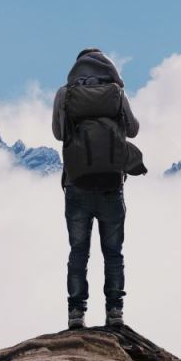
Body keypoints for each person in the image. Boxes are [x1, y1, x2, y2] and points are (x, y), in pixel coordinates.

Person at [52, 47, 140, 330]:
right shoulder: (116, 92)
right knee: (113, 252)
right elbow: (134, 129)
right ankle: (115, 311)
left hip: (77, 184)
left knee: (79, 251)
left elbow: (58, 133)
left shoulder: (65, 94)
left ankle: (76, 313)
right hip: (111, 184)